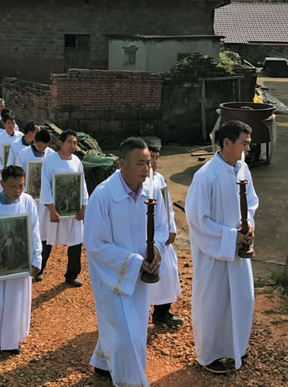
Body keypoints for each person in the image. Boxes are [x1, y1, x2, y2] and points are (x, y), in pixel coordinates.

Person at [84, 137, 168, 386]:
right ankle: (132, 381)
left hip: (143, 273)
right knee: (127, 332)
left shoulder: (151, 191)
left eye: (148, 163)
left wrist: (157, 253)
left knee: (136, 325)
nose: (147, 168)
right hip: (113, 274)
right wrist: (133, 262)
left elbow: (162, 227)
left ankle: (102, 362)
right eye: (140, 163)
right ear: (121, 163)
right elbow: (95, 244)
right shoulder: (103, 196)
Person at [185, 120, 258, 374]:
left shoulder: (242, 170)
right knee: (214, 304)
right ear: (227, 143)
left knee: (242, 299)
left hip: (239, 253)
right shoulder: (205, 176)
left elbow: (252, 203)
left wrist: (249, 228)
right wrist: (230, 237)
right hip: (215, 255)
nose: (248, 149)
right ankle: (209, 355)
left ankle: (237, 347)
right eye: (244, 143)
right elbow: (197, 220)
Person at [0, 166, 42, 354]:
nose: (17, 191)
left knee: (16, 304)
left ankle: (12, 342)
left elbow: (34, 233)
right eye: (13, 186)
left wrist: (37, 259)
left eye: (21, 186)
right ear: (2, 183)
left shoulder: (28, 202)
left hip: (20, 266)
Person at [39, 129, 88, 287]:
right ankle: (38, 269)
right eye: (70, 142)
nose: (73, 145)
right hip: (54, 210)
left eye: (75, 142)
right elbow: (45, 186)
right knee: (46, 240)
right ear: (61, 142)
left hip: (72, 210)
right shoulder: (50, 160)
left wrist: (83, 206)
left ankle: (72, 274)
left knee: (75, 241)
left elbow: (82, 185)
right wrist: (52, 209)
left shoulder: (77, 162)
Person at [147, 145, 182, 327]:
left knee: (167, 273)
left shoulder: (159, 179)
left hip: (164, 236)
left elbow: (167, 207)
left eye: (157, 157)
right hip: (148, 238)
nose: (154, 162)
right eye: (151, 157)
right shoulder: (140, 182)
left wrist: (172, 228)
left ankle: (162, 313)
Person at [17, 129, 54, 248]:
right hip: (28, 195)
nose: (41, 148)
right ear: (34, 141)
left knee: (44, 230)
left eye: (44, 147)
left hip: (45, 199)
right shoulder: (23, 154)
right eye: (39, 146)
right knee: (29, 227)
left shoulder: (51, 155)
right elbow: (18, 174)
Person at [0, 113, 23, 192]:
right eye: (9, 123)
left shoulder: (21, 137)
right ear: (4, 123)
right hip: (4, 171)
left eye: (13, 123)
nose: (11, 125)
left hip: (19, 171)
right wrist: (1, 168)